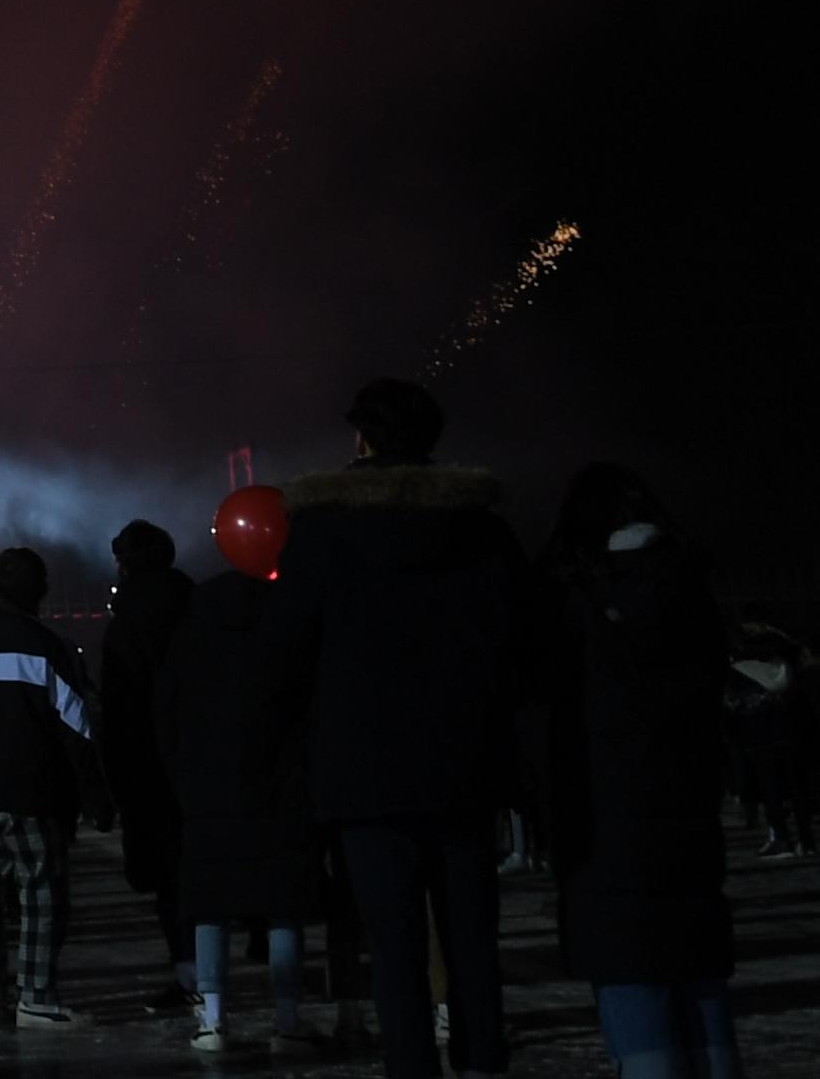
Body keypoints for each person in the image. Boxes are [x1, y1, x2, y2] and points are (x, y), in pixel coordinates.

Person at [259, 375, 524, 1079]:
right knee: (473, 943)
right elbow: (518, 645)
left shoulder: (321, 534)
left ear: (363, 440)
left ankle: (411, 1067)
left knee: (394, 947)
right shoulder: (482, 530)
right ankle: (483, 1062)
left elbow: (286, 654)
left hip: (362, 772)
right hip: (465, 766)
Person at [538, 464, 740, 1079]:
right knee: (699, 980)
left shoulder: (568, 601)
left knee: (629, 975)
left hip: (600, 819)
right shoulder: (686, 588)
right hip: (687, 815)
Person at [163, 503, 317, 1054]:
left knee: (209, 904)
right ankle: (287, 1016)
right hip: (279, 783)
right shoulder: (291, 616)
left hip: (207, 787)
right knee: (282, 905)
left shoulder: (195, 623)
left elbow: (169, 707)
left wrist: (182, 775)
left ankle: (212, 1016)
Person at [0, 545, 109, 1026]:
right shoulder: (46, 646)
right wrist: (95, 795)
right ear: (42, 590)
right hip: (30, 793)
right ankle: (35, 994)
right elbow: (78, 727)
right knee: (40, 894)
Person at [106, 517, 199, 1009]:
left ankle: (189, 975)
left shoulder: (127, 622)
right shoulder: (198, 606)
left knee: (169, 878)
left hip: (149, 765)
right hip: (204, 758)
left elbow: (120, 709)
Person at [724, 606, 809, 859]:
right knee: (795, 787)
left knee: (769, 788)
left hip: (757, 734)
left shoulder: (739, 668)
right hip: (788, 729)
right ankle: (806, 839)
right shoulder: (787, 661)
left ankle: (780, 837)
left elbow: (733, 704)